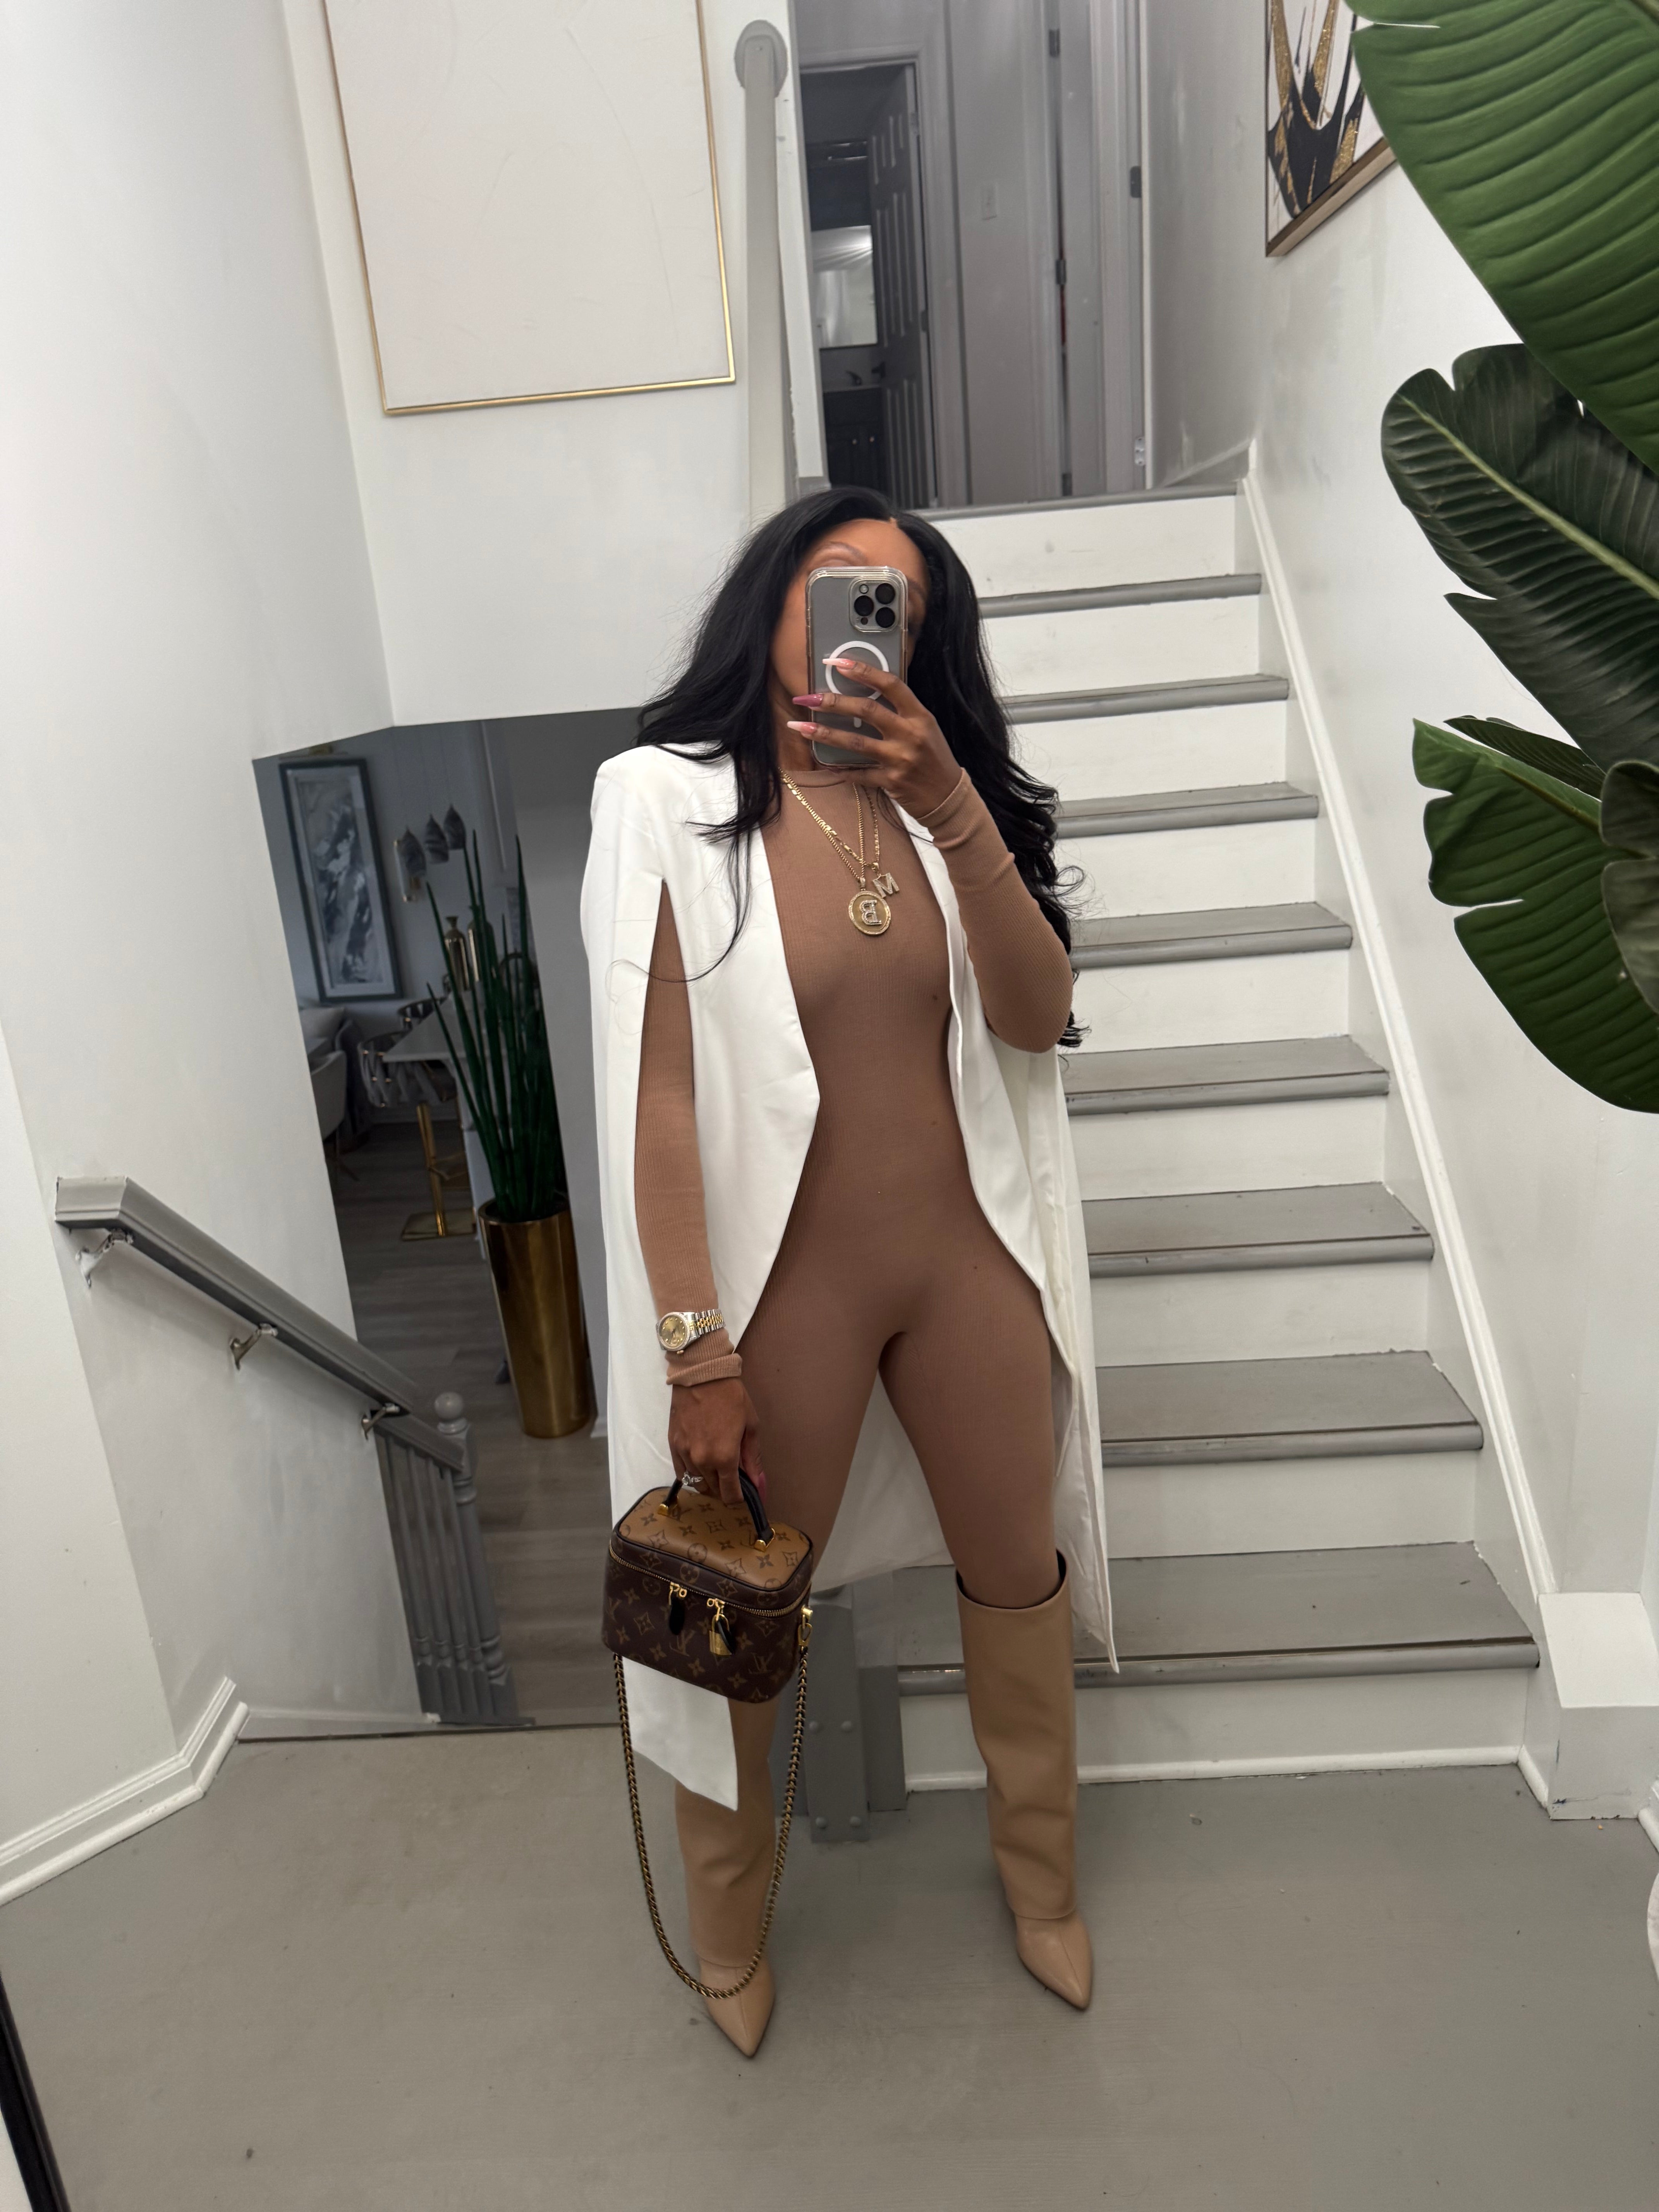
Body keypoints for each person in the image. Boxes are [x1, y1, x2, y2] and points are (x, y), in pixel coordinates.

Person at [582, 487, 1113, 2056]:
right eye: (842, 587)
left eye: (906, 612)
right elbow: (656, 1098)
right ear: (773, 601)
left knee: (1018, 1580)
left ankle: (1042, 1884)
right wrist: (697, 1353)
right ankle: (728, 1929)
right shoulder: (661, 800)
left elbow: (1035, 1017)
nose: (871, 627)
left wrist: (952, 801)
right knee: (739, 1615)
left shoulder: (942, 803)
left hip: (967, 1267)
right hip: (785, 1299)